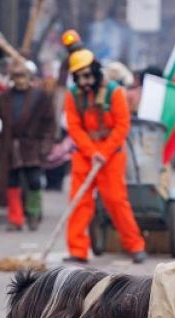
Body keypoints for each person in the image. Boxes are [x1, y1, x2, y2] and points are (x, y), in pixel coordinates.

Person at [62, 35, 146, 264]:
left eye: (87, 76)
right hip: (85, 153)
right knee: (79, 203)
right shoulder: (73, 96)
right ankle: (77, 250)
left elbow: (122, 126)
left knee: (116, 201)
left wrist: (104, 152)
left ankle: (135, 245)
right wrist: (92, 152)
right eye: (79, 78)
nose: (84, 81)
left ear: (96, 71)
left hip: (111, 153)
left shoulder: (114, 92)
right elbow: (74, 127)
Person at [0, 60, 55, 231]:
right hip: (11, 144)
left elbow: (49, 123)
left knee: (34, 181)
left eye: (22, 76)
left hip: (32, 144)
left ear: (29, 77)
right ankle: (16, 219)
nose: (20, 80)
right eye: (16, 76)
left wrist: (46, 145)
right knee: (12, 182)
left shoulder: (40, 96)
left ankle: (33, 213)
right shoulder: (5, 97)